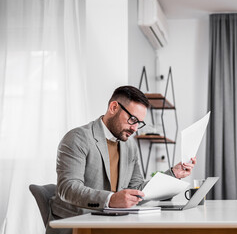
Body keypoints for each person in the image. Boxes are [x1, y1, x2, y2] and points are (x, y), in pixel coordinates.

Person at [47, 86, 196, 234]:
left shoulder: (130, 145)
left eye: (139, 123)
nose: (135, 128)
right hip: (77, 225)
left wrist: (172, 174)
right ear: (113, 107)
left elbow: (137, 189)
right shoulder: (77, 138)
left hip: (110, 223)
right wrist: (111, 199)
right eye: (132, 119)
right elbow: (67, 188)